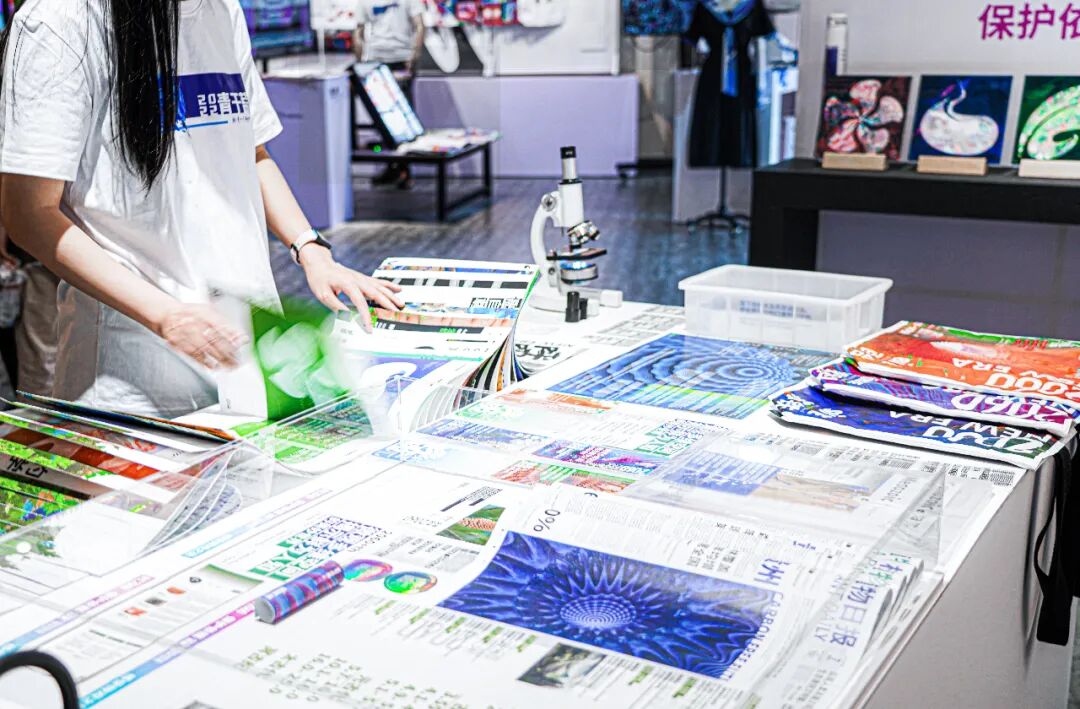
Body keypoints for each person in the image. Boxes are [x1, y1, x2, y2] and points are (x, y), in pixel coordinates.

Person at [0, 0, 404, 418]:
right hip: (135, 376)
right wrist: (165, 315)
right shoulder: (62, 20)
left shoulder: (221, 10)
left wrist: (311, 249)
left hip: (247, 355)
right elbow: (29, 213)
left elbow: (251, 151)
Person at [353, 0, 426, 189]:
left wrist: (413, 57)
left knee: (403, 120)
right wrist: (360, 64)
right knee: (382, 118)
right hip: (376, 61)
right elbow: (359, 31)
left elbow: (419, 25)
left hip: (400, 60)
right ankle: (394, 167)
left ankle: (404, 170)